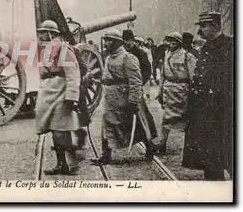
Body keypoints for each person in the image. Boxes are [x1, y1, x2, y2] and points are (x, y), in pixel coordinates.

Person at [91, 29, 155, 165]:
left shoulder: (128, 58)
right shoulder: (109, 58)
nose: (106, 43)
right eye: (106, 40)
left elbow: (135, 81)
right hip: (111, 98)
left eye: (109, 40)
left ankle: (150, 147)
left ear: (117, 42)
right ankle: (106, 155)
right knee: (107, 124)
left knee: (138, 124)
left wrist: (133, 101)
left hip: (126, 97)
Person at [183, 11, 233, 180]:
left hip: (222, 110)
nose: (201, 30)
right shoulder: (206, 46)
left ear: (216, 26)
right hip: (204, 110)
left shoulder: (229, 47)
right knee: (209, 157)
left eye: (204, 26)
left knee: (228, 153)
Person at [35, 20, 86, 175]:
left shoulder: (64, 50)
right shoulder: (45, 49)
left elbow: (73, 74)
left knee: (61, 131)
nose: (40, 35)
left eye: (43, 32)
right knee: (54, 130)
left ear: (52, 34)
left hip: (62, 93)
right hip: (49, 92)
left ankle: (73, 163)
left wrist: (72, 97)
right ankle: (61, 164)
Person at [156, 31, 196, 154]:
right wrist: (160, 91)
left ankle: (189, 148)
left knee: (186, 120)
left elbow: (192, 77)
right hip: (169, 91)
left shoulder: (187, 56)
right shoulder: (167, 55)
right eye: (169, 40)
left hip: (182, 91)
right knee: (166, 120)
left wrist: (193, 93)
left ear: (179, 43)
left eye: (174, 41)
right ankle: (162, 144)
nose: (171, 43)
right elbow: (162, 75)